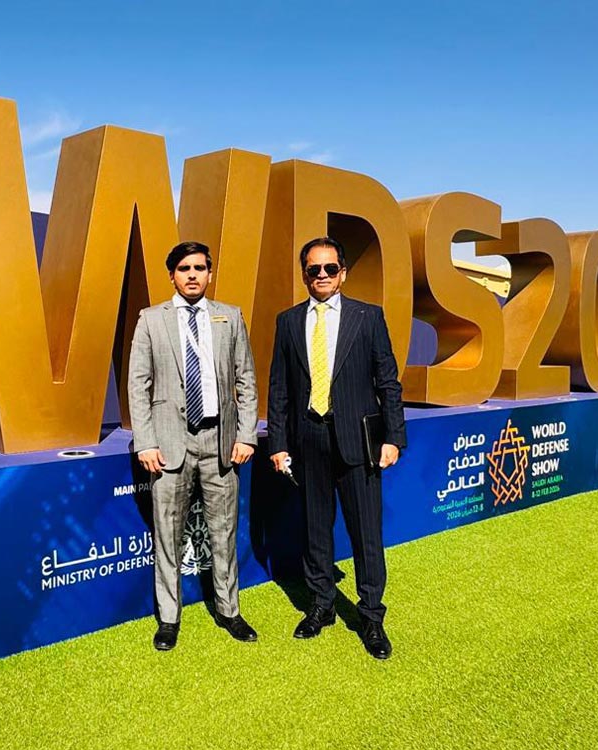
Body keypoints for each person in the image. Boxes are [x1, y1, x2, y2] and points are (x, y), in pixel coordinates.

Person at [266, 236, 407, 659]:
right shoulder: (288, 322)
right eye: (313, 269)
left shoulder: (368, 317)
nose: (322, 276)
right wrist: (277, 443)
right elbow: (279, 390)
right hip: (308, 440)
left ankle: (371, 616)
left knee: (366, 534)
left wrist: (393, 437)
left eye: (330, 268)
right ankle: (322, 606)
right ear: (304, 274)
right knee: (314, 531)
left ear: (343, 272)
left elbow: (388, 383)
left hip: (358, 443)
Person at [127, 241, 259, 651]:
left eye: (200, 267)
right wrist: (145, 441)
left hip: (220, 443)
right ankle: (168, 619)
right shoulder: (150, 320)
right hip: (169, 446)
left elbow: (247, 381)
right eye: (184, 268)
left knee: (223, 531)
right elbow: (138, 385)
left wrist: (246, 434)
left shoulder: (230, 317)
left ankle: (229, 611)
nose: (192, 275)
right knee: (168, 536)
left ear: (209, 273)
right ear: (172, 275)